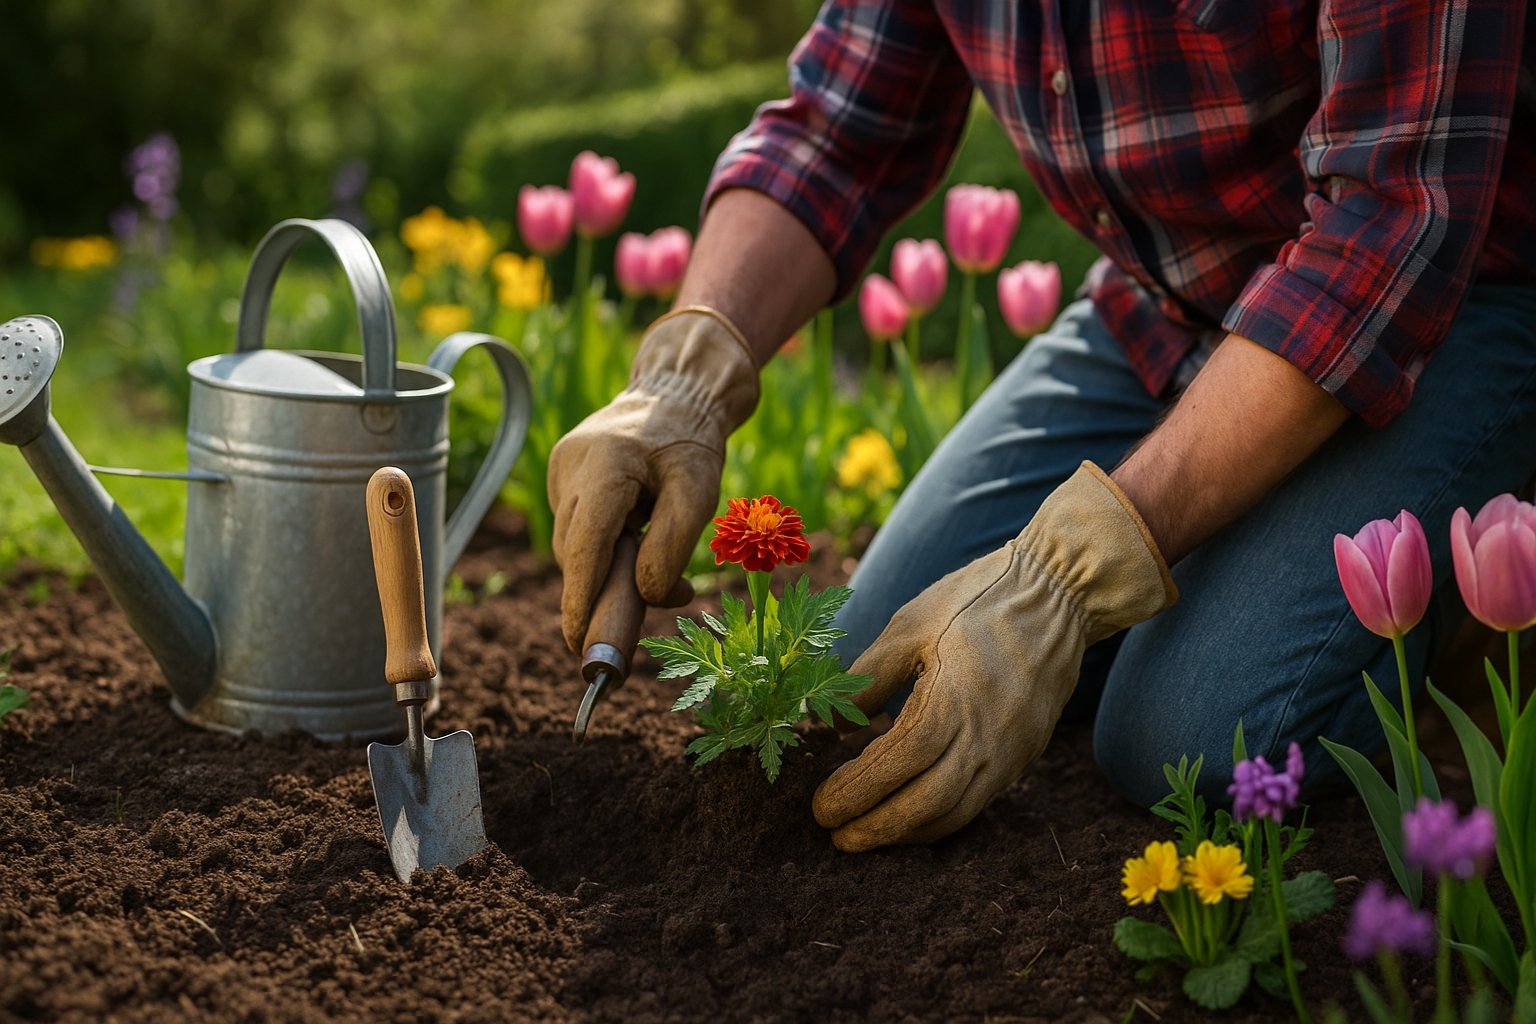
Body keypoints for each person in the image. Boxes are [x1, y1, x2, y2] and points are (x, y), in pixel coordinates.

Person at [549, 0, 1536, 852]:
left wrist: (1068, 574)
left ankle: (1479, 597)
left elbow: (1387, 223)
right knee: (868, 677)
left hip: (1448, 300)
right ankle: (1227, 539)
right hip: (1166, 308)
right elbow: (838, 132)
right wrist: (686, 377)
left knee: (1185, 746)